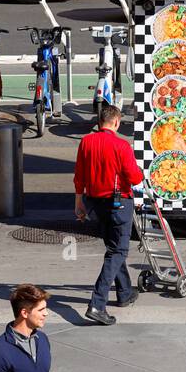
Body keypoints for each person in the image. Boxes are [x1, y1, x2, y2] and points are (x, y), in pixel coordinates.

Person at [74, 104, 145, 326]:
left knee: (113, 247)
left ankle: (124, 292)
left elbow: (80, 174)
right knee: (117, 251)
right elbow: (133, 177)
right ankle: (97, 303)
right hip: (118, 203)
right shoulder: (121, 145)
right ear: (115, 122)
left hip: (95, 202)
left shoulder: (86, 142)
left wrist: (79, 202)